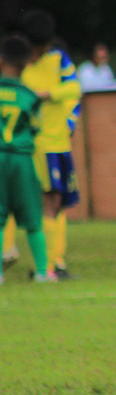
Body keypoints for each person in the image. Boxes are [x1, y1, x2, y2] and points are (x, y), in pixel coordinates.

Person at [14, 10, 82, 280]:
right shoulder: (16, 63)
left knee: (59, 202)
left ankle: (56, 263)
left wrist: (46, 95)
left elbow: (74, 89)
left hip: (58, 144)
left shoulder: (58, 59)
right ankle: (46, 266)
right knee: (43, 203)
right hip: (33, 144)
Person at [0, 35, 55, 284]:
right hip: (22, 160)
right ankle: (43, 271)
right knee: (33, 218)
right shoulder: (29, 96)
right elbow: (35, 128)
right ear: (26, 65)